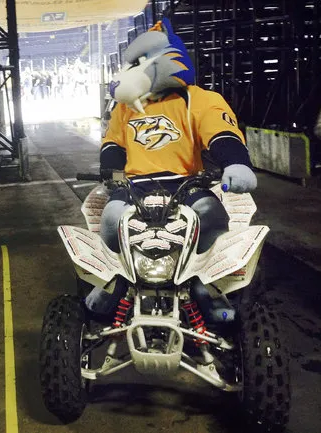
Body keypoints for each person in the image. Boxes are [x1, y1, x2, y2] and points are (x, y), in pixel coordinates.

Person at [85, 18, 257, 323]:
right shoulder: (125, 109)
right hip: (135, 184)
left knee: (212, 216)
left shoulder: (199, 99)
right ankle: (118, 281)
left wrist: (235, 162)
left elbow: (220, 132)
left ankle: (206, 286)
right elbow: (113, 142)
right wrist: (109, 169)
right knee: (110, 221)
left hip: (186, 183)